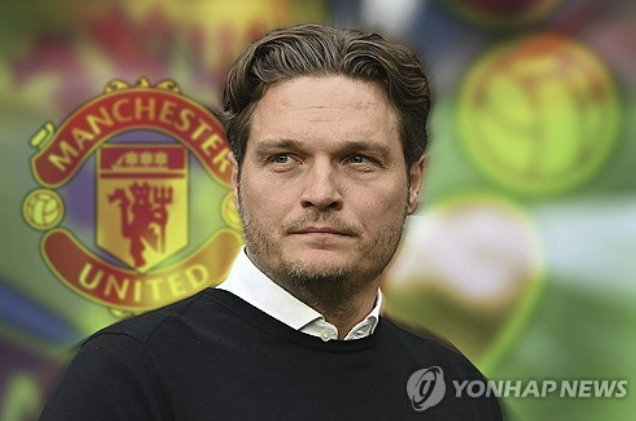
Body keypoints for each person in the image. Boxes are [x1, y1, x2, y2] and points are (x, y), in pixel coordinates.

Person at [39, 24, 503, 420]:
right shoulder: (126, 375)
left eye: (358, 159)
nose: (321, 192)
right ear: (235, 178)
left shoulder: (457, 391)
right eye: (284, 158)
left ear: (414, 183)